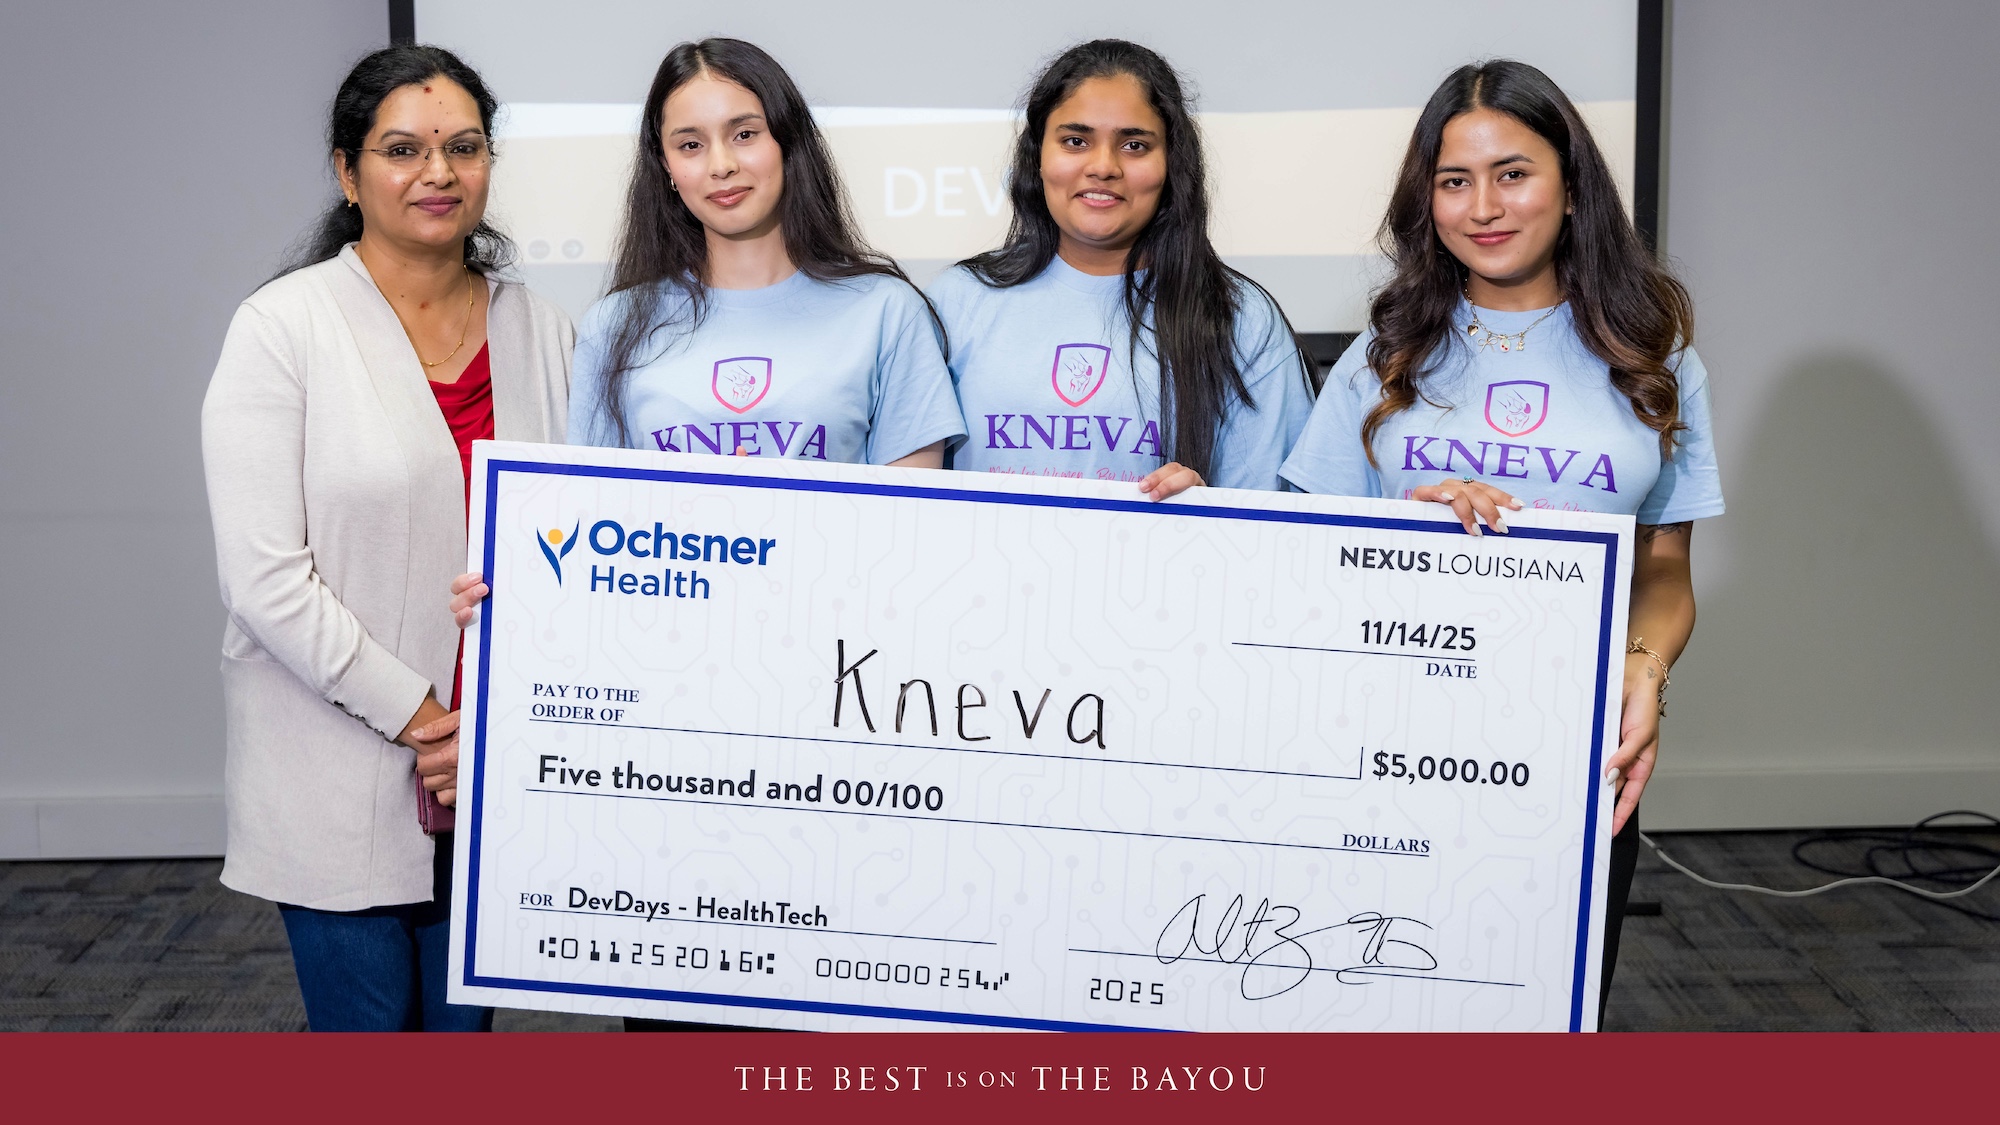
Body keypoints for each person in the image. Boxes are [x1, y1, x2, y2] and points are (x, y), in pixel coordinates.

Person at [451, 36, 961, 1032]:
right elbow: (586, 540)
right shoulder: (620, 328)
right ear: (663, 166)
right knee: (684, 1030)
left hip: (842, 738)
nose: (719, 165)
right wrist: (516, 593)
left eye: (742, 134)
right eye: (689, 144)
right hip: (675, 753)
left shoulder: (884, 311)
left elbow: (918, 548)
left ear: (788, 144)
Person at [1277, 59, 1724, 1022]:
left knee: (1541, 1037)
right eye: (1454, 180)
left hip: (1573, 755)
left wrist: (1646, 670)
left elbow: (1666, 568)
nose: (1483, 205)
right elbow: (1301, 562)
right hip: (1379, 751)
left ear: (1571, 186)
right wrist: (1403, 529)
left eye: (1512, 172)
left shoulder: (1655, 351)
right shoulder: (1386, 348)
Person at [200, 44, 573, 1031]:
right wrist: (424, 720)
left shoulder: (545, 329)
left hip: (501, 765)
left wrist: (496, 729)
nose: (438, 173)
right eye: (403, 148)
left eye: (463, 146)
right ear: (346, 172)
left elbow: (582, 546)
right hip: (339, 768)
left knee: (458, 1058)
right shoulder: (281, 329)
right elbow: (264, 578)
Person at [929, 39, 1314, 501]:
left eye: (1134, 145)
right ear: (1037, 157)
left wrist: (1210, 510)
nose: (1103, 167)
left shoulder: (1241, 317)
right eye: (1075, 141)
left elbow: (1277, 529)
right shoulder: (957, 300)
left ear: (1171, 164)